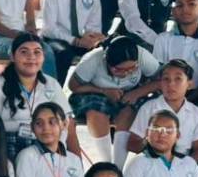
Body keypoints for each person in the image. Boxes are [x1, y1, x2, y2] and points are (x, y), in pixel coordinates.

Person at [67, 35, 161, 168]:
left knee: (128, 111)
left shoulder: (143, 57)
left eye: (132, 69)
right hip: (96, 92)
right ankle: (106, 163)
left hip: (131, 92)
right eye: (119, 70)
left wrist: (137, 93)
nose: (126, 74)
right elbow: (74, 86)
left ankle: (118, 166)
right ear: (107, 61)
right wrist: (103, 91)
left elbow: (160, 80)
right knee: (96, 111)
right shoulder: (93, 60)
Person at [0, 33, 71, 161]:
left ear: (43, 57)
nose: (31, 57)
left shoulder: (51, 84)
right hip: (8, 148)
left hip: (46, 145)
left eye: (37, 52)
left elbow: (66, 123)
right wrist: (23, 126)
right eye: (24, 52)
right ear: (13, 56)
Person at [127, 59, 198, 159]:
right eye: (166, 79)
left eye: (178, 79)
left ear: (189, 84)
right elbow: (132, 145)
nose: (171, 84)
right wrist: (148, 138)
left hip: (182, 162)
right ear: (160, 83)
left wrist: (185, 166)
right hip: (153, 159)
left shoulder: (195, 112)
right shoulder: (149, 108)